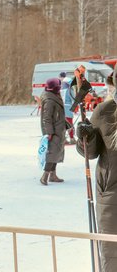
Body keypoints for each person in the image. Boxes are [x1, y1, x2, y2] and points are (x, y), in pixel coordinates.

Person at [76, 65, 117, 272]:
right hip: (112, 196)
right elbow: (90, 152)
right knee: (112, 256)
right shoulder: (105, 111)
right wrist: (86, 136)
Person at [40, 77, 66, 185]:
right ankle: (45, 176)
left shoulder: (55, 96)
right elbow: (47, 118)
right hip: (53, 131)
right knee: (52, 153)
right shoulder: (50, 100)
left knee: (57, 152)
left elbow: (58, 115)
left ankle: (53, 175)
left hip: (59, 129)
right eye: (58, 87)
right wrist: (49, 132)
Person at [60, 76, 76, 144]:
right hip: (68, 109)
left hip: (61, 109)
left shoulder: (60, 90)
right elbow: (73, 99)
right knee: (70, 124)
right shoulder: (70, 90)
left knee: (63, 125)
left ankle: (63, 139)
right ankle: (72, 138)